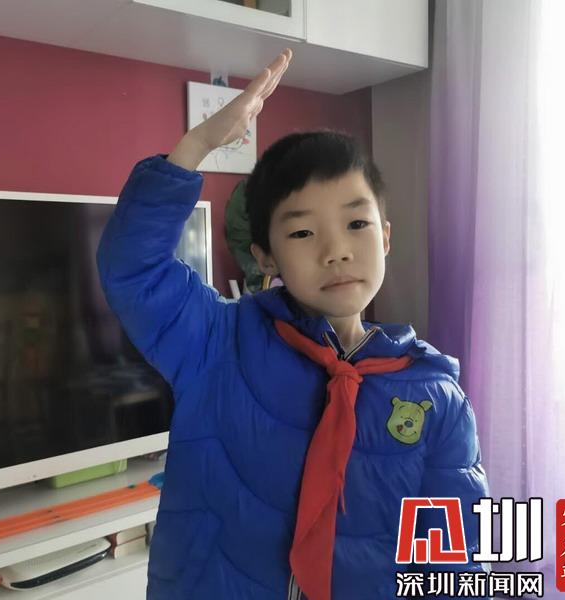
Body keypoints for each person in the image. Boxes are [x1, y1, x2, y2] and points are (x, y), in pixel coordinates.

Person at [97, 50, 490, 600]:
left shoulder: (436, 397)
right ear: (265, 256)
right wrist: (198, 144)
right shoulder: (218, 343)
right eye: (303, 233)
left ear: (385, 237)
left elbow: (455, 559)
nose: (336, 251)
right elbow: (133, 269)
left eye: (357, 223)